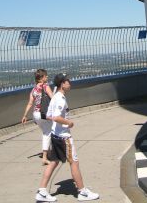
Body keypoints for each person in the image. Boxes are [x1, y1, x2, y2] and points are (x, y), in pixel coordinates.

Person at [35, 73, 99, 202]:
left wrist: (58, 121)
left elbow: (48, 115)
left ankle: (41, 191)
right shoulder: (59, 98)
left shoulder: (56, 97)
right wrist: (68, 123)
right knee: (74, 162)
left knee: (54, 162)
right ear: (62, 84)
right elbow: (57, 117)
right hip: (64, 137)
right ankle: (82, 192)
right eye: (67, 81)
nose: (70, 83)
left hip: (55, 135)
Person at [22, 68, 53, 165]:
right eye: (46, 76)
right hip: (43, 113)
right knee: (47, 133)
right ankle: (44, 157)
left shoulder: (33, 89)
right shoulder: (46, 86)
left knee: (48, 131)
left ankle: (50, 152)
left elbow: (30, 104)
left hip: (36, 114)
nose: (47, 77)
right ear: (42, 78)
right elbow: (53, 98)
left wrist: (25, 115)